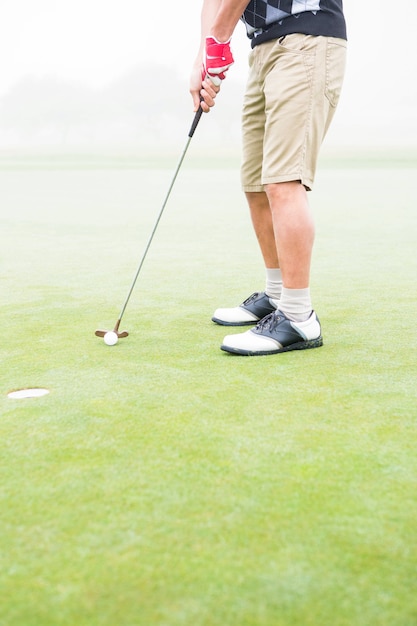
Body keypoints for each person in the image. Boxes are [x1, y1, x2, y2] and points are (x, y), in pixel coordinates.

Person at [190, 0, 347, 356]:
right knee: (256, 184)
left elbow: (222, 19)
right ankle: (277, 294)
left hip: (306, 37)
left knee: (283, 180)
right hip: (263, 48)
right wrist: (203, 58)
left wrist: (218, 41)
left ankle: (297, 316)